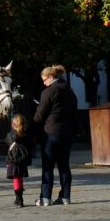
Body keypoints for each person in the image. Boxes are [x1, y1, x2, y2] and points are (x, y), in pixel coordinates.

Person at [33, 64, 78, 207]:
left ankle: (45, 197)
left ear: (51, 77)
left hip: (51, 133)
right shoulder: (70, 91)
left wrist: (29, 127)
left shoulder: (49, 91)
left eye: (44, 79)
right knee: (64, 166)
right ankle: (65, 197)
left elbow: (40, 115)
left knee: (48, 166)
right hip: (67, 132)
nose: (43, 83)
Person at [5, 113, 32, 207]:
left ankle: (19, 198)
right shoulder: (26, 133)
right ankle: (20, 197)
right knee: (19, 178)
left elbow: (7, 140)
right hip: (23, 159)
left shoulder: (12, 134)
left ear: (14, 124)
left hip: (13, 159)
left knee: (16, 179)